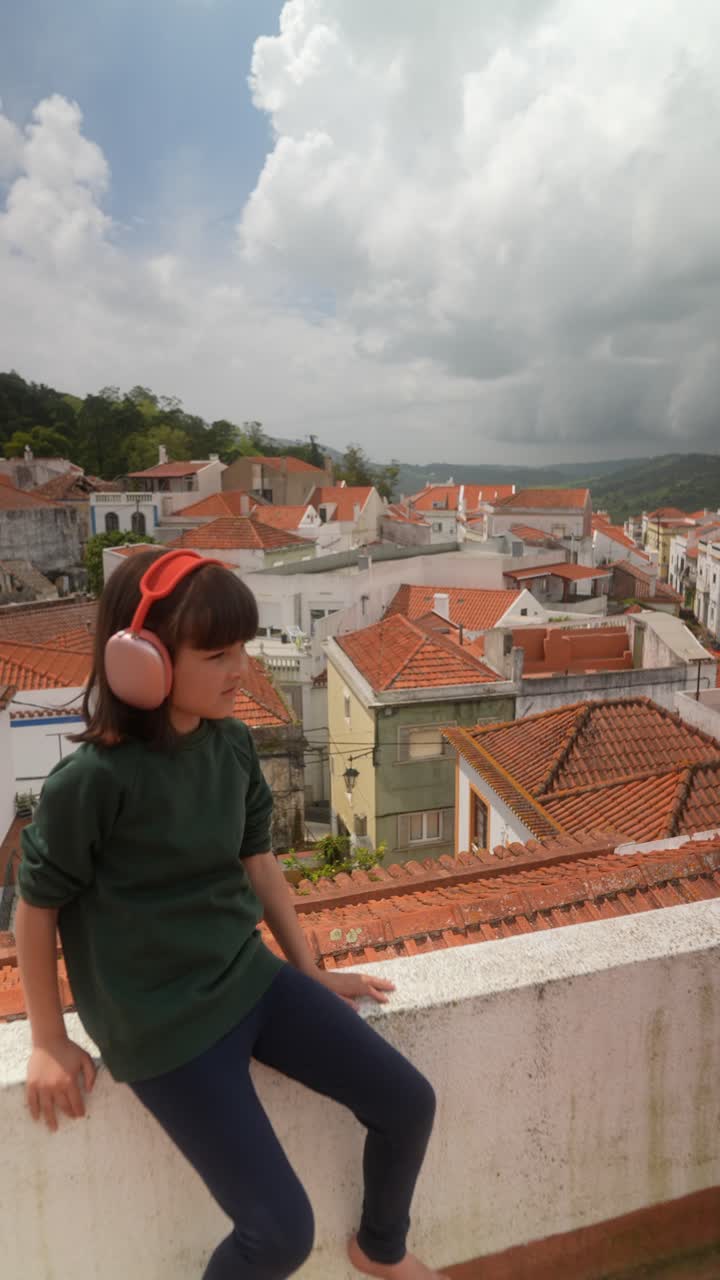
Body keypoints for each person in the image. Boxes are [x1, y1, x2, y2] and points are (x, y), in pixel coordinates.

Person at [15, 548, 447, 1280]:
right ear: (141, 660)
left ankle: (380, 1250)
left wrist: (309, 972)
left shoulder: (233, 745)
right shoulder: (89, 782)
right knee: (278, 1233)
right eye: (216, 654)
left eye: (240, 648)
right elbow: (36, 907)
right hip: (160, 1024)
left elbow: (261, 863)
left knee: (407, 1102)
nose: (240, 668)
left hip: (247, 977)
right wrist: (49, 1040)